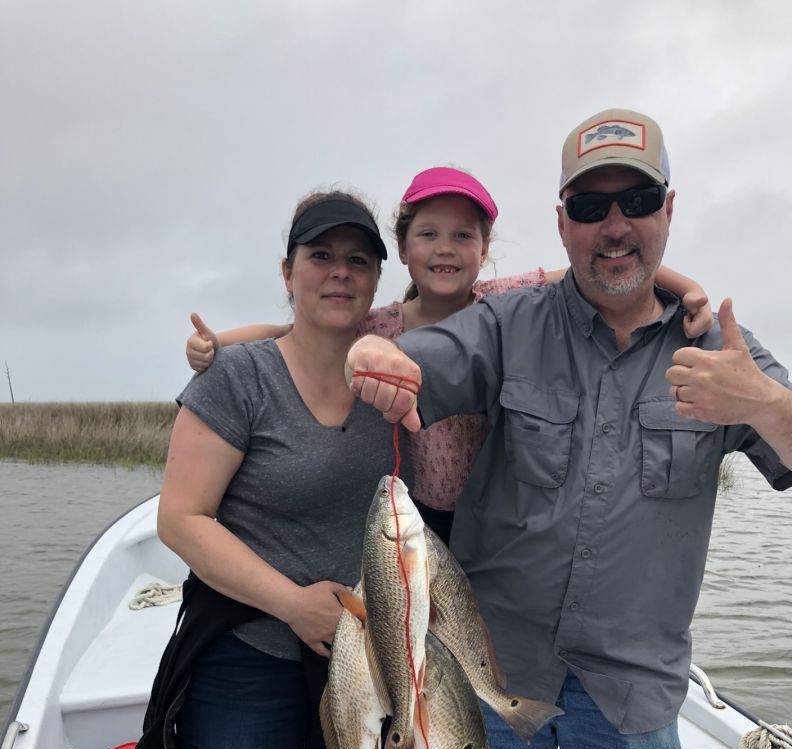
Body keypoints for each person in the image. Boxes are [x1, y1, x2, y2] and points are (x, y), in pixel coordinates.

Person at [344, 108, 792, 749]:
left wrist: (761, 402)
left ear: (668, 209)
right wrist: (379, 357)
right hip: (493, 671)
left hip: (632, 685)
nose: (615, 225)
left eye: (636, 200)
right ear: (562, 222)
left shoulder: (722, 353)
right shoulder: (509, 323)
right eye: (591, 206)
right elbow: (427, 355)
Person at [138, 191, 398, 749]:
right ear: (288, 271)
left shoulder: (388, 380)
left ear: (377, 280)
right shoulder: (237, 379)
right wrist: (293, 603)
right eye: (321, 256)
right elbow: (182, 518)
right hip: (245, 659)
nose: (339, 273)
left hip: (348, 667)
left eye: (358, 260)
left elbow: (498, 289)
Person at [185, 166, 712, 543]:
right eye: (428, 234)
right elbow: (287, 331)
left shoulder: (505, 301)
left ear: (484, 251)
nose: (445, 248)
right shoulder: (379, 327)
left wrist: (686, 287)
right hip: (416, 514)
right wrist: (219, 342)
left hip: (501, 513)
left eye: (463, 236)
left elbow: (588, 272)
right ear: (403, 249)